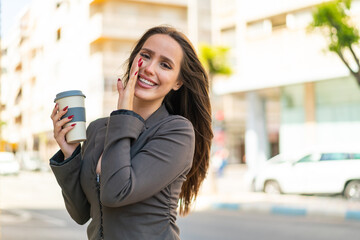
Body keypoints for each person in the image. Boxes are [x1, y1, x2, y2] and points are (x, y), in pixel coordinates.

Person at [50, 26, 213, 240]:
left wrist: (124, 113)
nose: (149, 68)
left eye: (165, 65)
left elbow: (116, 192)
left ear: (178, 82)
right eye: (145, 56)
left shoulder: (177, 132)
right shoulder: (98, 129)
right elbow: (81, 213)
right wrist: (71, 154)